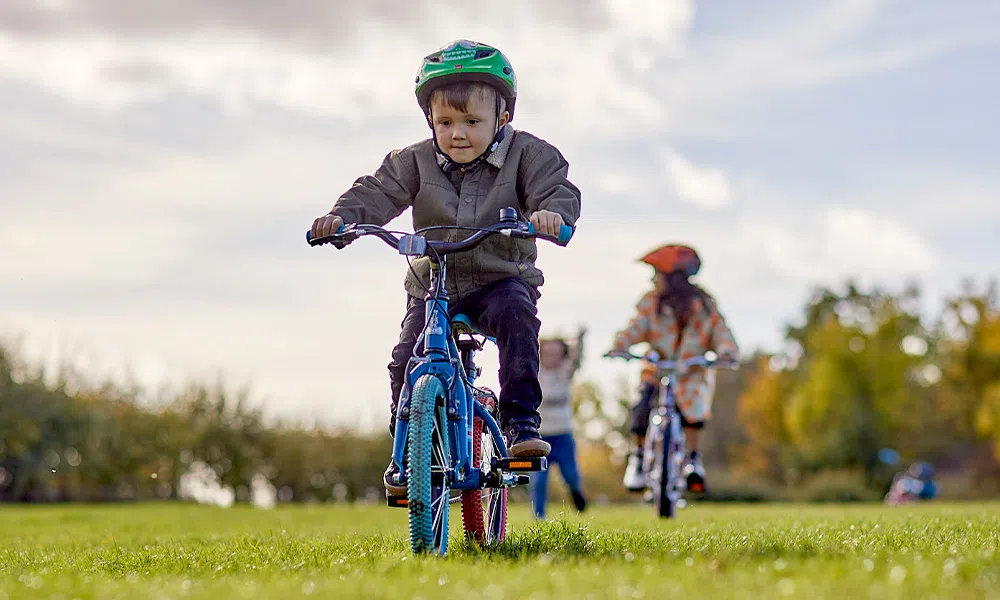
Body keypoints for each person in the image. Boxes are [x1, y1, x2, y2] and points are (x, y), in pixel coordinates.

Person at [309, 40, 582, 496]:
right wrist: (342, 218)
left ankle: (519, 424)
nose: (458, 133)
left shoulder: (528, 155)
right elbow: (376, 192)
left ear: (503, 118)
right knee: (405, 360)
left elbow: (555, 188)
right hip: (434, 284)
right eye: (446, 122)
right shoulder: (411, 162)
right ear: (430, 121)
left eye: (472, 122)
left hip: (501, 277)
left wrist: (551, 214)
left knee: (518, 321)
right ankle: (409, 456)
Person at [607, 244, 738, 494]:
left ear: (673, 278)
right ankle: (637, 459)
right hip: (658, 370)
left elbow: (721, 332)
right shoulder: (651, 304)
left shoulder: (703, 307)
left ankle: (692, 459)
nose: (653, 279)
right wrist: (620, 346)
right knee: (642, 407)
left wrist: (726, 352)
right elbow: (635, 327)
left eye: (658, 274)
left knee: (693, 412)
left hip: (691, 373)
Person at [531, 327, 588, 518]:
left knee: (571, 475)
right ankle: (539, 516)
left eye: (555, 354)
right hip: (541, 436)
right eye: (547, 353)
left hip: (563, 435)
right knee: (539, 480)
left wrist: (580, 340)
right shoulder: (535, 373)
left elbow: (576, 357)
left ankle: (576, 494)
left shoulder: (565, 373)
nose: (551, 358)